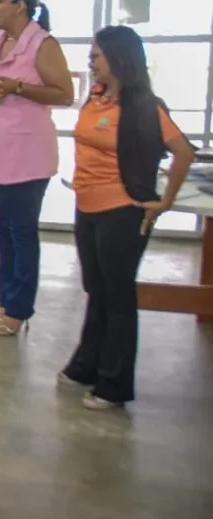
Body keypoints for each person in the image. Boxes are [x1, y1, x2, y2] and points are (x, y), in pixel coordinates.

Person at [60, 26, 194, 410]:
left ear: (119, 59)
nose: (91, 60)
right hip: (86, 207)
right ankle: (87, 366)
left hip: (122, 211)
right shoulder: (96, 97)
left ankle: (114, 385)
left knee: (118, 297)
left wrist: (164, 201)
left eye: (97, 55)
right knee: (96, 290)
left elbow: (182, 151)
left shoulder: (145, 106)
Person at [0, 0, 74, 336]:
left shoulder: (42, 44)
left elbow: (65, 94)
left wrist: (20, 87)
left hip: (29, 152)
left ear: (21, 6)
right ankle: (7, 300)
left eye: (1, 1)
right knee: (4, 231)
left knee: (22, 231)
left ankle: (19, 307)